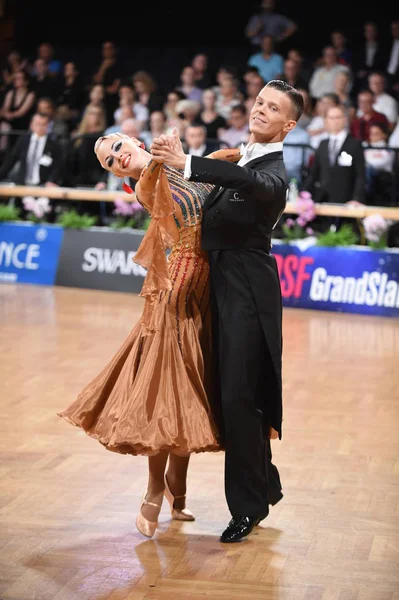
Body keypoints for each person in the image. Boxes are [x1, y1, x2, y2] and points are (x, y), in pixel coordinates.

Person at [57, 131, 241, 539]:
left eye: (118, 148)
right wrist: (165, 153)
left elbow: (202, 173)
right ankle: (154, 491)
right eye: (108, 161)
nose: (117, 158)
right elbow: (157, 175)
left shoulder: (179, 164)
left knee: (190, 399)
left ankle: (179, 493)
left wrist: (227, 154)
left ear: (134, 140)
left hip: (207, 292)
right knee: (167, 398)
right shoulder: (146, 182)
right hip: (173, 297)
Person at [151, 79, 304, 543]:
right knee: (231, 396)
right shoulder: (235, 158)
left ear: (288, 125)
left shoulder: (273, 172)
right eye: (259, 102)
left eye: (272, 108)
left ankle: (248, 508)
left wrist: (190, 162)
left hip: (248, 297)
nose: (260, 110)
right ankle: (265, 482)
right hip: (215, 292)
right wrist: (157, 165)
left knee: (241, 397)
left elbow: (252, 184)